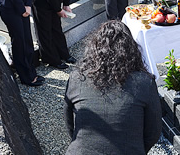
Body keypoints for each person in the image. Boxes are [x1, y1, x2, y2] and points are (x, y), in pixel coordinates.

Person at [64, 20, 162, 155]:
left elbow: (70, 124)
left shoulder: (76, 78)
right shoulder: (145, 82)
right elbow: (153, 131)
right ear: (131, 50)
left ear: (94, 49)